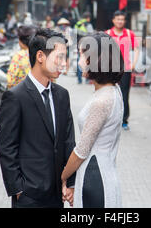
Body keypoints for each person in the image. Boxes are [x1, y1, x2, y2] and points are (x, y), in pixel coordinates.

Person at [0, 28, 76, 208]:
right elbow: (7, 148)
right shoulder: (15, 97)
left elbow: (68, 141)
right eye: (59, 57)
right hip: (28, 196)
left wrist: (70, 182)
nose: (63, 64)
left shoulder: (62, 95)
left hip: (57, 194)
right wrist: (18, 190)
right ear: (40, 56)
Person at [61, 32, 124, 208]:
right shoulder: (113, 90)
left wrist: (63, 177)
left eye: (82, 54)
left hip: (95, 180)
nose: (79, 60)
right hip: (102, 173)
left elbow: (81, 150)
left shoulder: (102, 101)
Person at [105, 10, 139, 131]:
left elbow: (136, 49)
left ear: (124, 21)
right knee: (109, 94)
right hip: (110, 68)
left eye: (122, 19)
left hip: (126, 69)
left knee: (124, 94)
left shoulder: (130, 34)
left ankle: (124, 120)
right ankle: (110, 119)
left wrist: (134, 63)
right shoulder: (107, 33)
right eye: (117, 19)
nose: (120, 21)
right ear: (113, 20)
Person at [6, 25, 37, 89]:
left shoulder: (19, 56)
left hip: (22, 94)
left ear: (21, 41)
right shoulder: (42, 55)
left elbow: (10, 80)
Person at [74, 12, 94, 84]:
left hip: (79, 44)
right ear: (88, 18)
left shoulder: (78, 24)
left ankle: (79, 79)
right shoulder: (88, 24)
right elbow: (91, 34)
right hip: (87, 45)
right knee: (88, 61)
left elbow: (74, 33)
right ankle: (87, 79)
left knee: (79, 61)